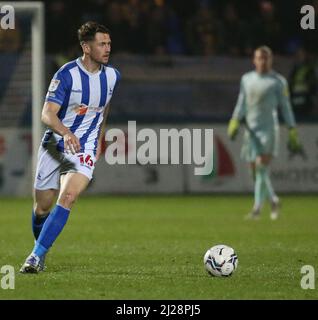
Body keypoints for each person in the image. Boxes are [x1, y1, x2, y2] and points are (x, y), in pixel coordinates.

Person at [20, 21, 120, 273]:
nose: (107, 48)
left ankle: (34, 257)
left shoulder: (112, 76)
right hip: (55, 145)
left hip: (84, 148)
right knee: (42, 207)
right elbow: (47, 114)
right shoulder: (66, 74)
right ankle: (40, 247)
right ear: (86, 47)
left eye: (108, 43)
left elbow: (104, 106)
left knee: (68, 197)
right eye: (102, 44)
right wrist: (65, 132)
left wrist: (98, 139)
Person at [227, 46, 302, 220]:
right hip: (251, 129)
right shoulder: (247, 79)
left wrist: (292, 128)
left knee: (262, 167)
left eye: (266, 58)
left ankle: (257, 209)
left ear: (271, 60)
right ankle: (274, 200)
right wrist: (235, 120)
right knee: (255, 171)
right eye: (259, 58)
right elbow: (242, 102)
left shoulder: (277, 81)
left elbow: (285, 106)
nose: (262, 61)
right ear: (254, 60)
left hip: (268, 129)